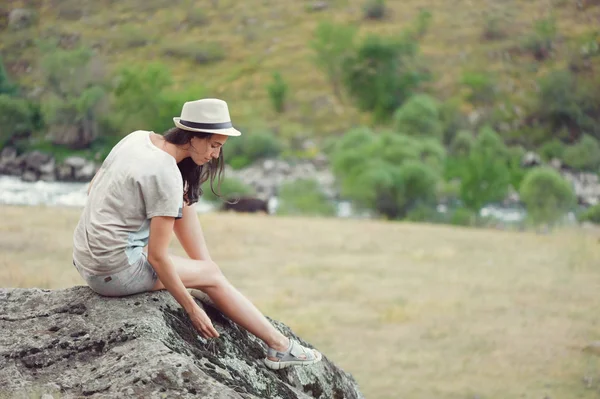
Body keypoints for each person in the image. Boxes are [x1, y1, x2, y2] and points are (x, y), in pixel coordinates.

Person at [72, 98, 322, 370]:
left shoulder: (137, 139)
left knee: (186, 210)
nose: (216, 155)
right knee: (212, 274)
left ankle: (206, 275)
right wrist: (191, 308)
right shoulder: (165, 172)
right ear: (194, 137)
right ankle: (280, 347)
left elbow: (93, 188)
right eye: (214, 145)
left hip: (84, 257)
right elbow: (157, 257)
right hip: (112, 273)